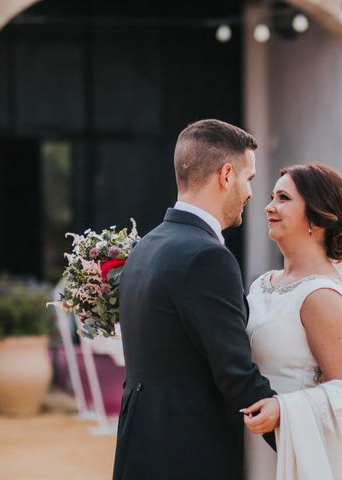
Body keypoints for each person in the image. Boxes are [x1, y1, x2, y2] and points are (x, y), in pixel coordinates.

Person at [112, 119, 279, 480]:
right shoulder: (207, 258)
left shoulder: (146, 247)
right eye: (249, 179)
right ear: (226, 174)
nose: (251, 193)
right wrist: (299, 442)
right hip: (189, 453)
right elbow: (234, 374)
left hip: (139, 447)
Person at [242, 163, 342, 479]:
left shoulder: (321, 296)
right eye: (273, 196)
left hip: (291, 447)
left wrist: (283, 410)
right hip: (249, 443)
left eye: (284, 198)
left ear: (315, 220)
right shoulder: (263, 283)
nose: (269, 207)